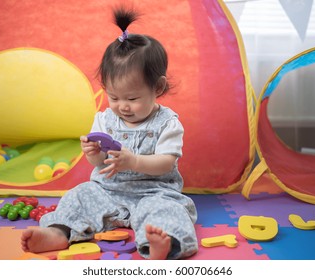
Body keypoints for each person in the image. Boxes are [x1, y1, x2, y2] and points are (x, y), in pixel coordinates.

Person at [21, 6, 198, 260]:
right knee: (79, 195)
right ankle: (58, 233)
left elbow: (166, 162)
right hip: (109, 192)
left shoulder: (168, 122)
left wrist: (134, 161)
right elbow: (99, 164)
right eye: (113, 96)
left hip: (154, 192)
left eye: (132, 98)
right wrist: (93, 154)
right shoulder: (105, 119)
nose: (122, 106)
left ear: (157, 88)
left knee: (166, 210)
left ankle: (161, 243)